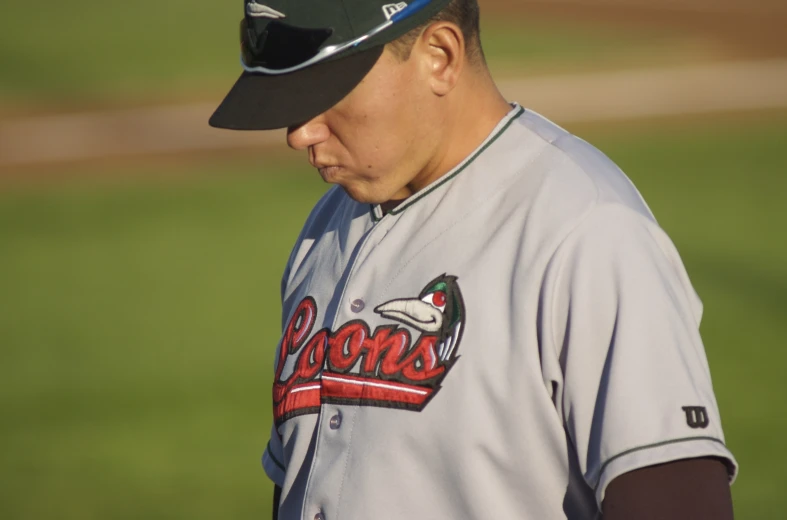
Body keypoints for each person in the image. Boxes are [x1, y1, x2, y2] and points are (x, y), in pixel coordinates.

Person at [210, 0, 738, 518]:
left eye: (321, 91)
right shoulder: (324, 231)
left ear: (439, 55)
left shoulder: (586, 230)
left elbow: (677, 498)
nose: (298, 133)